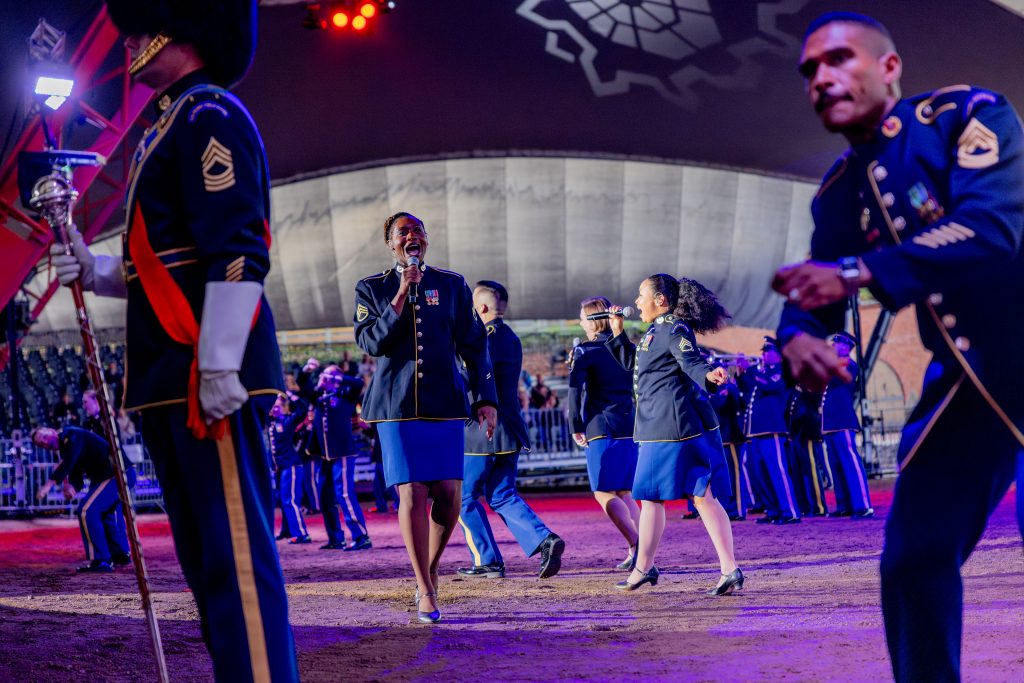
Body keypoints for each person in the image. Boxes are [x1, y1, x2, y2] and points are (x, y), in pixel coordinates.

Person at [48, 2, 299, 679]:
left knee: (236, 562)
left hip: (200, 374)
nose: (129, 39)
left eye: (143, 22)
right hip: (171, 375)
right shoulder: (167, 121)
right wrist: (96, 268)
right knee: (208, 563)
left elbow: (239, 249)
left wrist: (219, 362)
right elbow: (166, 261)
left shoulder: (207, 114)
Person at [772, 11, 1024, 682]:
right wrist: (799, 340)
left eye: (839, 59)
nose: (822, 78)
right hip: (975, 383)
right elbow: (811, 293)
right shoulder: (837, 194)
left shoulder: (968, 115)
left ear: (890, 67)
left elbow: (991, 229)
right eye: (810, 71)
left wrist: (859, 272)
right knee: (914, 556)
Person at [354, 211, 497, 624]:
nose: (412, 236)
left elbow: (474, 345)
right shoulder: (372, 288)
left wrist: (486, 397)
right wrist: (401, 293)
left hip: (445, 404)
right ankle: (425, 588)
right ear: (391, 243)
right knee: (412, 493)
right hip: (397, 409)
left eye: (418, 230)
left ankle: (429, 568)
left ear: (426, 240)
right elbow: (372, 343)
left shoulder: (452, 284)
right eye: (403, 232)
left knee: (451, 496)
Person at [606, 275, 743, 596]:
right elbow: (636, 365)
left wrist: (709, 373)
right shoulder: (657, 331)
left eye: (642, 296)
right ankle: (730, 569)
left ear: (661, 300)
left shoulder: (673, 329)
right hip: (673, 427)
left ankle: (642, 568)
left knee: (652, 498)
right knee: (702, 497)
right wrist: (617, 333)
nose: (637, 302)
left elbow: (691, 361)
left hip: (665, 429)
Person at [458, 281, 565, 580]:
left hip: (482, 430)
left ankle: (487, 560)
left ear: (480, 308)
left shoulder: (483, 337)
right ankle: (544, 539)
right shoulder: (510, 336)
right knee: (502, 494)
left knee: (463, 497)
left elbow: (470, 378)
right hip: (509, 429)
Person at [568, 296, 640, 569]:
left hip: (601, 427)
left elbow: (575, 392)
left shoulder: (586, 351)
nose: (580, 322)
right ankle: (641, 548)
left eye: (583, 317)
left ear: (592, 320)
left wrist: (575, 425)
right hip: (628, 425)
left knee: (603, 492)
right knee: (624, 491)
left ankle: (637, 544)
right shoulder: (628, 347)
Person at [32, 426, 134, 572]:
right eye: (41, 444)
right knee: (104, 514)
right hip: (115, 475)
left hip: (116, 474)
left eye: (44, 437)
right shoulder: (66, 450)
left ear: (52, 431)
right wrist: (72, 489)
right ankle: (119, 555)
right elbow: (76, 478)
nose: (44, 442)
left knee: (87, 511)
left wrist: (49, 484)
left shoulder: (72, 434)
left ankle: (100, 560)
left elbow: (70, 461)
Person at [307, 364, 370, 551]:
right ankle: (335, 538)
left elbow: (359, 383)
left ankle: (361, 536)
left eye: (329, 376)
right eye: (324, 375)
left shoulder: (346, 394)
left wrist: (337, 378)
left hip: (342, 452)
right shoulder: (319, 397)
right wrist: (309, 373)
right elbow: (304, 388)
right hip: (324, 455)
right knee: (325, 497)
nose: (325, 378)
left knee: (344, 493)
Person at [740, 338, 801, 524]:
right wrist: (742, 374)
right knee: (760, 474)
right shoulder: (762, 373)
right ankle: (773, 510)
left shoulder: (782, 372)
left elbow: (770, 386)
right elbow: (747, 390)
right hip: (756, 431)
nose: (764, 355)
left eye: (768, 351)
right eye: (763, 351)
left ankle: (790, 511)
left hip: (772, 429)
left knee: (777, 471)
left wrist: (750, 370)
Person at [820, 332, 873, 518]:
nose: (833, 345)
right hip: (830, 422)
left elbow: (833, 379)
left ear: (846, 346)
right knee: (836, 465)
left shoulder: (848, 365)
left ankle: (863, 506)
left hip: (843, 421)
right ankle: (844, 505)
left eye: (837, 343)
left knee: (851, 464)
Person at [708, 366, 751, 521]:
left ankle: (738, 509)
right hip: (718, 438)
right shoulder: (712, 390)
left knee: (734, 476)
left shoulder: (729, 388)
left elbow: (719, 404)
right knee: (721, 476)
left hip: (731, 437)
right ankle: (726, 508)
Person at [269, 395, 310, 544]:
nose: (275, 409)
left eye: (278, 406)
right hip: (279, 468)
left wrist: (289, 394)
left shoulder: (287, 421)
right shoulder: (270, 422)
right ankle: (287, 530)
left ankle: (301, 534)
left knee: (290, 500)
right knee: (282, 499)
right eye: (273, 407)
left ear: (285, 408)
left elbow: (302, 409)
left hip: (290, 465)